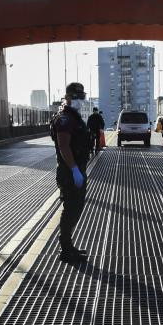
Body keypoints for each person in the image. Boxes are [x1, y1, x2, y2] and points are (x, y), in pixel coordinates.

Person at [50, 82, 92, 262]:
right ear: (67, 98)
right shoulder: (65, 118)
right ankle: (66, 249)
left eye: (81, 97)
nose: (79, 101)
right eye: (75, 97)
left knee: (76, 208)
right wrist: (74, 169)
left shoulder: (74, 116)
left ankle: (69, 246)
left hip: (76, 168)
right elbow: (64, 145)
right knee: (71, 209)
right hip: (69, 170)